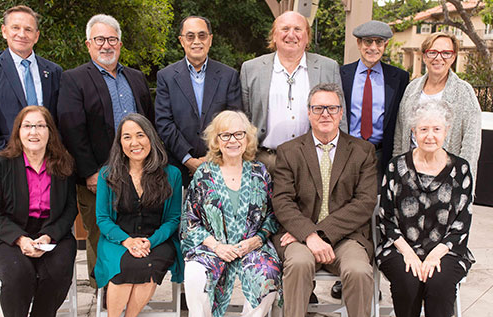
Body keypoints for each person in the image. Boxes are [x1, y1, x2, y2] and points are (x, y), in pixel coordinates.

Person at [272, 83, 377, 317]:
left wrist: (318, 233)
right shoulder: (289, 151)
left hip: (346, 237)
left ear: (341, 113)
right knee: (298, 264)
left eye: (331, 108)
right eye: (318, 108)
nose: (325, 114)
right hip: (301, 236)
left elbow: (364, 202)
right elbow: (282, 201)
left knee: (358, 270)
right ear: (309, 113)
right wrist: (308, 235)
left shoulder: (363, 151)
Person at [58, 14, 154, 288]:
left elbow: (149, 123)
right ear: (89, 44)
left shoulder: (135, 78)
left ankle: (131, 285)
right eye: (100, 39)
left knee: (134, 229)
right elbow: (72, 129)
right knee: (100, 233)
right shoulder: (74, 79)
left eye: (112, 39)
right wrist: (89, 173)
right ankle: (102, 289)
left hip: (137, 173)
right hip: (98, 174)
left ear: (120, 44)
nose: (106, 45)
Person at [377, 100, 475, 317]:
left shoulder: (461, 169)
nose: (430, 136)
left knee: (439, 283)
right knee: (408, 281)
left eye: (436, 129)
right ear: (413, 132)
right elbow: (386, 218)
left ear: (447, 131)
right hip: (399, 246)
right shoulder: (395, 167)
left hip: (447, 249)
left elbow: (462, 223)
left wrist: (434, 255)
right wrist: (408, 253)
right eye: (423, 130)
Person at [181, 110, 282, 317]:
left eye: (238, 134)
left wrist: (256, 241)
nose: (232, 140)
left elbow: (273, 216)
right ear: (216, 140)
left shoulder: (260, 172)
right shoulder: (204, 174)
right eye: (225, 135)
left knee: (269, 274)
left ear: (247, 139)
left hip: (251, 245)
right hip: (212, 245)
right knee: (195, 276)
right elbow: (189, 220)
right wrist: (216, 246)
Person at [0, 106, 77, 317]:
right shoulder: (2, 163)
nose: (34, 131)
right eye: (28, 125)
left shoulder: (64, 163)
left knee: (56, 275)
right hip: (8, 236)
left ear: (49, 132)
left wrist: (48, 237)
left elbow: (69, 210)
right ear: (18, 131)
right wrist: (20, 239)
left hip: (51, 233)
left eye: (40, 126)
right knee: (17, 275)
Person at [93, 113, 183, 317]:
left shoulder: (171, 174)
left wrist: (150, 241)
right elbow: (102, 219)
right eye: (127, 137)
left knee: (149, 264)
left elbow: (173, 219)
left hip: (157, 239)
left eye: (140, 135)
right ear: (120, 143)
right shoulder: (107, 174)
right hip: (117, 240)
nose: (135, 142)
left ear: (151, 138)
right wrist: (127, 241)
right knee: (127, 265)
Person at [333, 20, 409, 300]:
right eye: (367, 42)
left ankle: (369, 279)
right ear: (359, 44)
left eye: (378, 42)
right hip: (347, 154)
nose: (372, 47)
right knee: (342, 210)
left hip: (379, 155)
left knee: (376, 216)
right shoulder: (342, 74)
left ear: (385, 45)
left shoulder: (398, 77)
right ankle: (345, 274)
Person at [240, 10, 346, 175]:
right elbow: (244, 117)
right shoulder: (251, 69)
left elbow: (340, 117)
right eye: (285, 29)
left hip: (313, 161)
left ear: (307, 37)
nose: (291, 34)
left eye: (298, 29)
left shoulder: (328, 67)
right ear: (274, 36)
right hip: (264, 162)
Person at [155, 15, 242, 185]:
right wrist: (188, 159)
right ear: (181, 41)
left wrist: (211, 157)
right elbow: (164, 123)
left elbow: (234, 121)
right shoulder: (165, 77)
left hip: (220, 167)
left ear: (210, 39)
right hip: (178, 169)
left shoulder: (229, 76)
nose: (196, 41)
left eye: (202, 36)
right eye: (190, 36)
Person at [0, 5, 62, 153]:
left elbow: (60, 116)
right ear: (4, 31)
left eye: (28, 29)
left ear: (36, 36)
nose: (22, 34)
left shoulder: (53, 71)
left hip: (48, 156)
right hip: (8, 155)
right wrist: (3, 152)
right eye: (15, 28)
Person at [393, 32, 481, 183]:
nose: (438, 58)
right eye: (432, 52)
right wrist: (397, 171)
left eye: (446, 53)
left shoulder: (464, 92)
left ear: (453, 58)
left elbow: (471, 144)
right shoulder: (411, 89)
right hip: (410, 175)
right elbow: (400, 134)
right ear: (425, 56)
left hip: (447, 177)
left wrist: (462, 181)